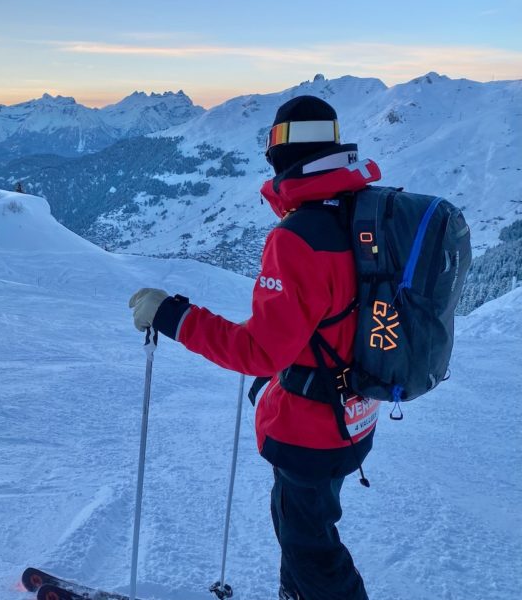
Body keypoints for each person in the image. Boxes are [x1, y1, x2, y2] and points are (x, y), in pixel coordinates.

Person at [128, 96, 381, 600]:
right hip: (356, 413)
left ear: (279, 154)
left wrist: (174, 316)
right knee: (307, 531)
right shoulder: (362, 212)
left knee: (310, 548)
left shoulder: (298, 237)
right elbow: (335, 320)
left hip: (311, 431)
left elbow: (256, 352)